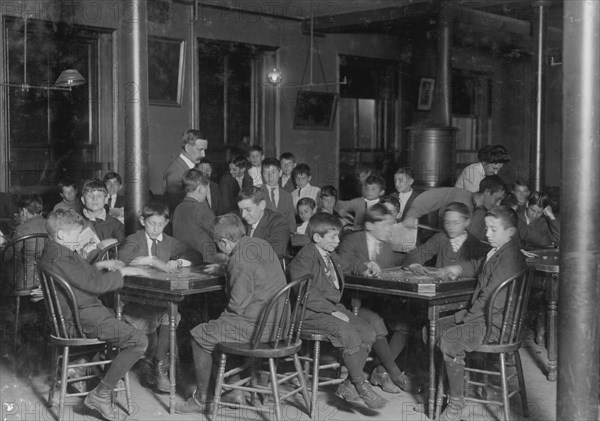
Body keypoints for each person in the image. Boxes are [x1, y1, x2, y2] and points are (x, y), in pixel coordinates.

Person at [39, 209, 148, 421]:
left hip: (79, 314)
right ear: (61, 234)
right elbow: (95, 285)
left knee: (127, 324)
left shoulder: (54, 250)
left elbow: (76, 275)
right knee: (139, 340)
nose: (80, 239)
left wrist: (100, 265)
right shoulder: (62, 255)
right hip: (79, 320)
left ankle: (86, 369)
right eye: (76, 234)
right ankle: (101, 393)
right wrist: (123, 272)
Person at [175, 213, 287, 414]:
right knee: (217, 327)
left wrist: (231, 268)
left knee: (199, 335)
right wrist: (227, 268)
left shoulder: (238, 261)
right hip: (281, 323)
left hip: (259, 329)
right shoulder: (260, 244)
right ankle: (234, 390)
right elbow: (254, 270)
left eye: (219, 244)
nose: (219, 248)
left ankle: (202, 399)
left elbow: (236, 306)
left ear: (224, 242)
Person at [434, 205, 526, 421]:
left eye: (493, 229)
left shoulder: (510, 258)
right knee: (432, 329)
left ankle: (456, 404)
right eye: (486, 228)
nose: (487, 234)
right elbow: (480, 265)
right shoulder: (501, 250)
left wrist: (465, 320)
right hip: (486, 318)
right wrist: (458, 269)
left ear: (510, 232)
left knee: (449, 339)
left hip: (495, 324)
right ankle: (455, 390)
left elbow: (491, 300)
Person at [288, 213, 388, 410]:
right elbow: (304, 292)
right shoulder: (304, 258)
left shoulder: (330, 254)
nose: (338, 240)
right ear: (317, 238)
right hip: (307, 313)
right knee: (348, 333)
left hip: (331, 309)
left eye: (338, 236)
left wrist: (365, 266)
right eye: (333, 237)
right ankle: (361, 386)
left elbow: (347, 263)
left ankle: (348, 385)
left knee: (368, 332)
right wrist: (331, 312)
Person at [119, 202, 201, 393]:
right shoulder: (135, 239)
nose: (156, 229)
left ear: (166, 223)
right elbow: (122, 258)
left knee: (171, 310)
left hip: (160, 301)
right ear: (142, 221)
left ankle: (159, 365)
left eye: (161, 224)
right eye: (151, 224)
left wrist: (179, 261)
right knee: (170, 310)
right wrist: (150, 260)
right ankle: (157, 365)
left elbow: (195, 254)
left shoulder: (169, 242)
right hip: (135, 300)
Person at [338, 204, 421, 394]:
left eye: (391, 226)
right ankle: (395, 373)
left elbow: (401, 260)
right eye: (385, 226)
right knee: (375, 323)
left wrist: (412, 263)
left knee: (407, 323)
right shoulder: (352, 240)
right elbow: (341, 263)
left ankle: (381, 371)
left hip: (378, 302)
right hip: (350, 302)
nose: (389, 230)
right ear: (369, 225)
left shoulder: (386, 245)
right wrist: (362, 265)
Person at [403, 175, 508, 242]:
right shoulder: (458, 194)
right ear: (487, 192)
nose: (498, 204)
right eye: (497, 199)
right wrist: (411, 215)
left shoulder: (483, 213)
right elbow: (427, 199)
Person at [404, 202, 488, 270]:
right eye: (447, 222)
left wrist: (459, 270)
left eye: (456, 222)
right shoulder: (440, 238)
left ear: (467, 222)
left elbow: (478, 269)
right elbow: (417, 253)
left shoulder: (475, 244)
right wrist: (415, 264)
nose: (450, 227)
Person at [173, 169, 218, 263]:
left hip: (183, 260)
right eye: (207, 189)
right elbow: (219, 231)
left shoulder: (178, 208)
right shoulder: (200, 209)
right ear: (201, 189)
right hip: (205, 262)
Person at [237, 186, 290, 260]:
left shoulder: (279, 223)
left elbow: (274, 254)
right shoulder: (241, 222)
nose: (243, 215)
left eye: (248, 209)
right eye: (241, 210)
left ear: (262, 205)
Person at [163, 129, 208, 213]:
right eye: (200, 150)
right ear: (187, 147)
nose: (203, 155)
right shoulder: (175, 173)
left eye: (205, 150)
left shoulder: (192, 168)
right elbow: (179, 210)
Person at [80, 179, 125, 244]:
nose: (95, 199)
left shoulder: (116, 225)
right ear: (83, 200)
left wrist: (115, 242)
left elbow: (126, 246)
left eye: (99, 196)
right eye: (90, 196)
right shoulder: (75, 221)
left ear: (106, 199)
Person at [261, 157, 296, 233]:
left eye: (273, 172)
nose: (270, 177)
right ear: (262, 175)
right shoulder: (257, 193)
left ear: (280, 173)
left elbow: (291, 222)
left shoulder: (287, 196)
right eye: (266, 173)